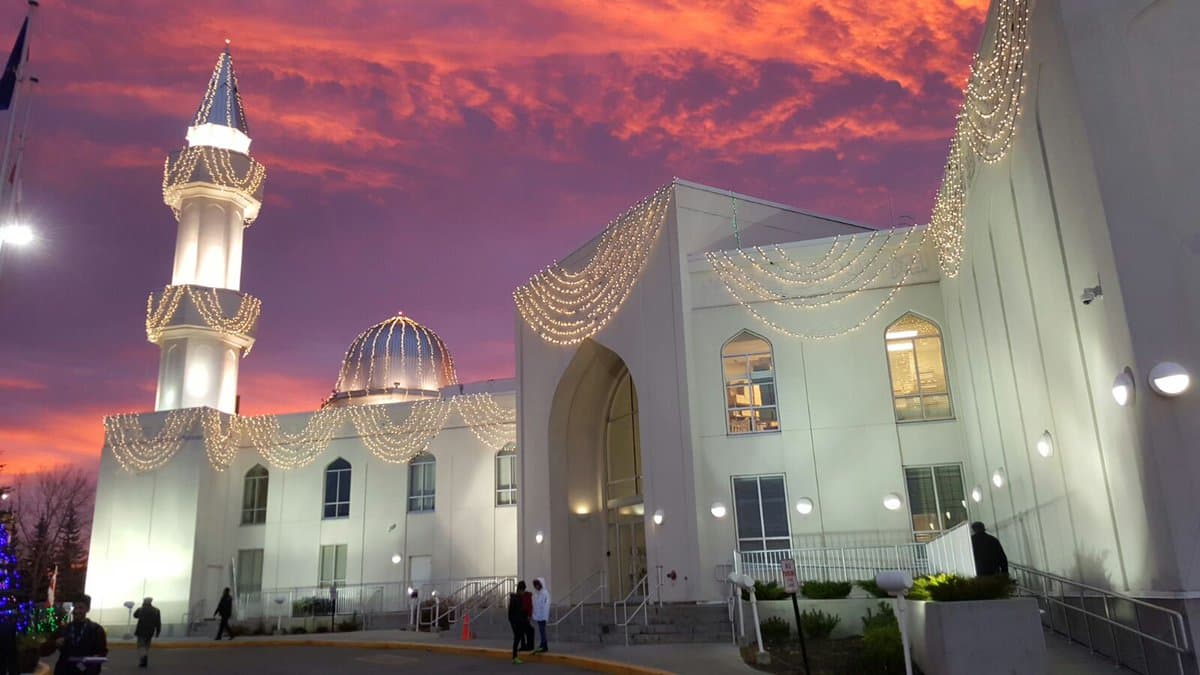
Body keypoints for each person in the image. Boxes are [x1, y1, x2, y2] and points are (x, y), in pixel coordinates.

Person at [51, 598, 107, 675]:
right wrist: (55, 643)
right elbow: (50, 646)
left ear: (87, 609)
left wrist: (87, 665)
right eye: (74, 607)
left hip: (86, 671)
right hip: (64, 670)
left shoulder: (96, 630)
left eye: (80, 608)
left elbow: (101, 654)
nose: (76, 611)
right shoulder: (65, 628)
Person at [132, 597, 161, 668]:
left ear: (144, 602)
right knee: (147, 646)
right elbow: (158, 622)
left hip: (141, 631)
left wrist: (141, 608)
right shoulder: (156, 610)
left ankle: (143, 659)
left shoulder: (141, 609)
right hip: (150, 631)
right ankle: (144, 659)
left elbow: (135, 615)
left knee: (140, 646)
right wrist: (158, 632)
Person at [507, 581, 528, 665]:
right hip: (515, 622)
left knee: (518, 638)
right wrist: (513, 622)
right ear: (520, 590)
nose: (523, 593)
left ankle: (515, 656)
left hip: (519, 622)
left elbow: (521, 611)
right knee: (517, 638)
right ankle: (514, 657)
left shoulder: (519, 598)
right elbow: (511, 613)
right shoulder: (515, 599)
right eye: (523, 591)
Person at [531, 578, 550, 653]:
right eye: (535, 585)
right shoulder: (537, 594)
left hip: (542, 616)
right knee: (541, 630)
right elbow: (535, 605)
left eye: (537, 585)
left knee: (542, 630)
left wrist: (544, 616)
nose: (536, 587)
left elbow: (546, 605)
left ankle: (544, 645)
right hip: (539, 616)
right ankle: (543, 644)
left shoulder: (545, 593)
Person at [520, 580, 535, 651]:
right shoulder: (521, 596)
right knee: (521, 631)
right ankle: (524, 645)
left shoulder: (527, 596)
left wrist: (529, 615)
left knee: (527, 631)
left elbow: (530, 606)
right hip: (521, 614)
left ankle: (529, 645)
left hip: (525, 614)